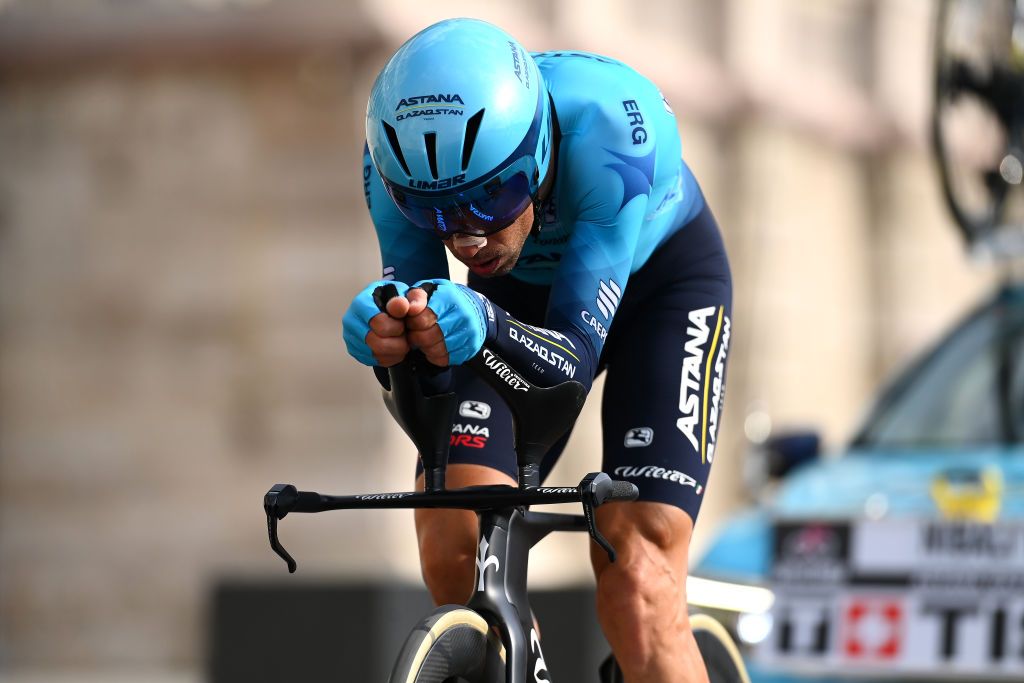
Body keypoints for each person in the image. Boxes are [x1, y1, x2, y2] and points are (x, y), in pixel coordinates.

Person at [344, 18, 733, 683]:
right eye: (436, 213)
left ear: (540, 152)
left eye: (493, 197)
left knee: (638, 579)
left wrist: (485, 323)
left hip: (661, 290)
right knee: (453, 540)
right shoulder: (390, 169)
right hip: (513, 300)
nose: (467, 242)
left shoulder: (612, 128)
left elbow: (569, 370)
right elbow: (423, 364)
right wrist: (392, 337)